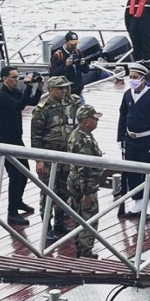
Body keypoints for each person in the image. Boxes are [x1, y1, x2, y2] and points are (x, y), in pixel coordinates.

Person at [32, 76, 80, 240]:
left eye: (65, 88)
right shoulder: (42, 109)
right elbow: (36, 137)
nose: (64, 91)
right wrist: (39, 160)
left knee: (64, 191)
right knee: (47, 193)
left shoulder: (69, 105)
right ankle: (47, 227)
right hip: (48, 158)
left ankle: (60, 223)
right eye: (60, 88)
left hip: (66, 156)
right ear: (51, 90)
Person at [0, 66, 43, 225]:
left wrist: (39, 88)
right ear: (4, 79)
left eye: (17, 77)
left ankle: (18, 201)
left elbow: (31, 102)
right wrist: (28, 86)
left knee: (24, 173)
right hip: (6, 141)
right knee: (15, 176)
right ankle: (11, 212)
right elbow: (18, 106)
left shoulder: (14, 92)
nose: (17, 80)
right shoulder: (1, 96)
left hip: (16, 139)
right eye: (14, 77)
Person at [117, 62, 150, 218]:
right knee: (132, 172)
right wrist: (120, 138)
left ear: (143, 78)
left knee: (149, 172)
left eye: (135, 77)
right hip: (131, 140)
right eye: (131, 77)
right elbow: (123, 116)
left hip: (147, 140)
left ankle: (149, 205)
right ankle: (137, 203)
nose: (132, 80)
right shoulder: (127, 94)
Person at [67, 104, 104, 259]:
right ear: (87, 121)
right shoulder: (86, 140)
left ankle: (79, 249)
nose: (97, 121)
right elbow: (85, 168)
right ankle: (85, 253)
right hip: (84, 185)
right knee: (89, 219)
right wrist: (88, 192)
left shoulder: (74, 134)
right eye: (94, 119)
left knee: (77, 217)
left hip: (73, 182)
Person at [124, 0, 150, 69]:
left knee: (146, 48)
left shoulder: (148, 2)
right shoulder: (129, 2)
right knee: (136, 48)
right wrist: (129, 29)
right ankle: (138, 66)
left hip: (145, 30)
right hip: (134, 30)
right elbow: (127, 17)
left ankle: (147, 66)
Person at [49, 31, 91, 99]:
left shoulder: (78, 52)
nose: (74, 46)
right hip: (64, 93)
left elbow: (86, 71)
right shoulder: (58, 55)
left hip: (78, 92)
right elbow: (53, 74)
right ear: (66, 42)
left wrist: (84, 64)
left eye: (76, 44)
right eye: (72, 44)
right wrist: (65, 65)